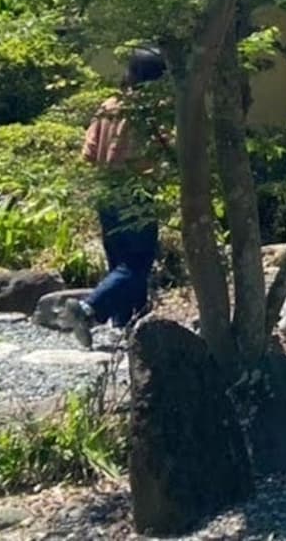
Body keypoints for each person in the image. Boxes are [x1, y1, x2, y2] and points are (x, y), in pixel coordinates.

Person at [69, 47, 167, 348]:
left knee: (119, 263)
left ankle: (127, 326)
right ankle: (89, 309)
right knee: (137, 265)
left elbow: (87, 153)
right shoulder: (153, 111)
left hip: (105, 193)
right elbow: (165, 154)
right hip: (135, 195)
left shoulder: (109, 105)